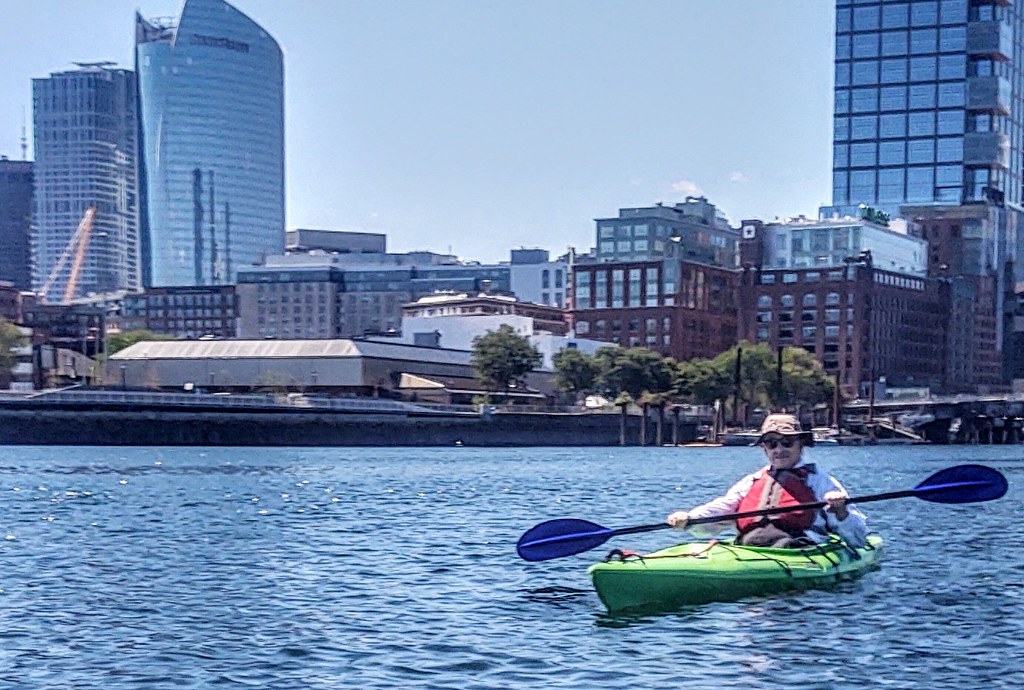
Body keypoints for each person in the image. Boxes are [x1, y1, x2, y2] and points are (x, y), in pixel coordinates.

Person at [667, 414, 868, 548]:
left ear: (801, 446)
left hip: (796, 546)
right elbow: (723, 507)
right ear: (764, 449)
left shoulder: (820, 482)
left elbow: (858, 538)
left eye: (787, 443)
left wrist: (841, 510)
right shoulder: (751, 481)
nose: (779, 450)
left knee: (784, 544)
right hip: (750, 546)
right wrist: (690, 519)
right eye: (772, 444)